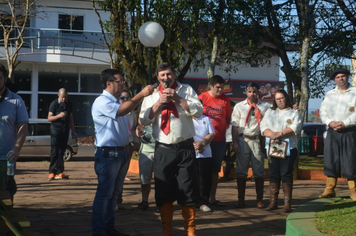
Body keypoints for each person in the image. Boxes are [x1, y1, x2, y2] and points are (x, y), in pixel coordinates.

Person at [139, 62, 203, 236]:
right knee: (164, 189)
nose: (166, 78)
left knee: (188, 189)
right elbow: (144, 119)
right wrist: (159, 103)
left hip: (185, 148)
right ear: (158, 77)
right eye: (162, 75)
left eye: (168, 74)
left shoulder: (187, 89)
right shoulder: (151, 94)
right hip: (163, 148)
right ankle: (166, 230)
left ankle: (190, 230)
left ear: (174, 75)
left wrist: (178, 99)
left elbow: (199, 111)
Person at [91, 68, 154, 236]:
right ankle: (98, 231)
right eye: (120, 82)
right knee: (104, 194)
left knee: (114, 195)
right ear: (108, 83)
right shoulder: (102, 101)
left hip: (120, 153)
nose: (123, 84)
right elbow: (122, 111)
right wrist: (141, 94)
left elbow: (127, 117)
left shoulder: (116, 100)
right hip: (108, 154)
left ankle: (109, 228)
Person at [260, 89, 302, 212]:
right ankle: (273, 202)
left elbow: (296, 127)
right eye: (277, 99)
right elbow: (263, 127)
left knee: (286, 174)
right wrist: (273, 135)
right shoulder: (270, 112)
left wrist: (280, 134)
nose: (280, 100)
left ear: (286, 98)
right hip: (273, 147)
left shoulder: (294, 112)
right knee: (273, 174)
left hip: (289, 147)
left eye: (282, 98)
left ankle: (287, 203)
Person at [231, 82, 271, 208]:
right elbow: (235, 126)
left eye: (254, 91)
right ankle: (240, 199)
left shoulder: (265, 106)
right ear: (246, 92)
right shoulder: (239, 106)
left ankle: (259, 199)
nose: (252, 94)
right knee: (241, 171)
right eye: (249, 91)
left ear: (258, 92)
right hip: (243, 140)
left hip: (257, 140)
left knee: (259, 171)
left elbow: (276, 115)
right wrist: (235, 142)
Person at [319, 68, 356, 201]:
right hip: (332, 131)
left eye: (343, 76)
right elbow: (323, 111)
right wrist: (330, 122)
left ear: (347, 77)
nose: (341, 79)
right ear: (334, 80)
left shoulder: (355, 92)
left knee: (350, 159)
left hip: (350, 131)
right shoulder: (330, 95)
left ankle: (353, 190)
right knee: (331, 159)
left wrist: (345, 123)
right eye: (338, 77)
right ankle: (329, 189)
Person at [199, 75, 231, 206]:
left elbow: (228, 118)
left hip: (219, 140)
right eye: (217, 87)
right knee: (201, 169)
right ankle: (200, 198)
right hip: (203, 141)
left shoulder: (225, 100)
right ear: (210, 86)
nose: (220, 90)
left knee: (215, 169)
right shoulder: (201, 98)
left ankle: (212, 198)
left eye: (222, 87)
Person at [0, 64, 29, 201]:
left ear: (5, 78)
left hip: (6, 158)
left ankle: (8, 219)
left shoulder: (16, 101)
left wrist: (17, 148)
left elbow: (23, 125)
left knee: (7, 193)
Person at [116, 89, 140, 210]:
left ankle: (118, 200)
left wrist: (136, 143)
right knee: (114, 174)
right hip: (116, 146)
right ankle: (112, 201)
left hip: (129, 144)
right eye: (122, 98)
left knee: (122, 174)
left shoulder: (132, 114)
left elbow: (134, 128)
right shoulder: (116, 113)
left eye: (127, 98)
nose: (125, 100)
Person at [47, 88, 76, 181]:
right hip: (55, 130)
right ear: (59, 95)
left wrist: (73, 131)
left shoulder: (69, 104)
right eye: (63, 97)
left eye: (66, 97)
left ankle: (60, 172)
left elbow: (71, 118)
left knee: (62, 151)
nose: (64, 99)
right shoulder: (54, 104)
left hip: (65, 130)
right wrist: (59, 116)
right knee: (55, 151)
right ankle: (51, 172)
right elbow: (49, 118)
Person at [193, 115, 215, 212]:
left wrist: (203, 143)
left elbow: (211, 134)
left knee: (205, 179)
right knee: (191, 178)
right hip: (190, 153)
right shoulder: (186, 118)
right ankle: (191, 201)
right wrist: (196, 146)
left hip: (205, 153)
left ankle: (203, 202)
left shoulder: (206, 119)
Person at [136, 122, 155, 211]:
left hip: (161, 149)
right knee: (144, 177)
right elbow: (139, 122)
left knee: (161, 178)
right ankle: (144, 201)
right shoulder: (145, 111)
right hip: (146, 150)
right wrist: (138, 129)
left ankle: (161, 202)